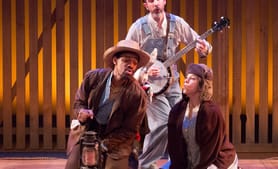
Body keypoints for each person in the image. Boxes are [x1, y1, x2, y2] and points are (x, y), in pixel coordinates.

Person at [125, 0, 212, 168]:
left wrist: (204, 49)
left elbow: (200, 43)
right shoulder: (138, 27)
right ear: (146, 5)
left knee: (183, 122)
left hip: (172, 85)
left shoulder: (177, 23)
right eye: (151, 1)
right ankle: (146, 164)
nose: (156, 4)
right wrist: (143, 73)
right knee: (163, 123)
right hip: (151, 88)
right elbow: (127, 57)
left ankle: (182, 162)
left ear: (164, 1)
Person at [65, 40, 151, 169]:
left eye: (134, 63)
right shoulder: (93, 78)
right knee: (74, 165)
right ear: (115, 60)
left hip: (117, 141)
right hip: (88, 132)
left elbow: (129, 130)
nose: (131, 65)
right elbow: (79, 103)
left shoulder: (137, 95)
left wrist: (104, 145)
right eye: (126, 60)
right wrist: (81, 113)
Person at [168, 63, 238, 169]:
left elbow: (210, 150)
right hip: (190, 161)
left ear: (202, 85)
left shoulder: (211, 112)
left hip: (215, 160)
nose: (186, 80)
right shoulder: (177, 110)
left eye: (192, 78)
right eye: (186, 77)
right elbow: (174, 145)